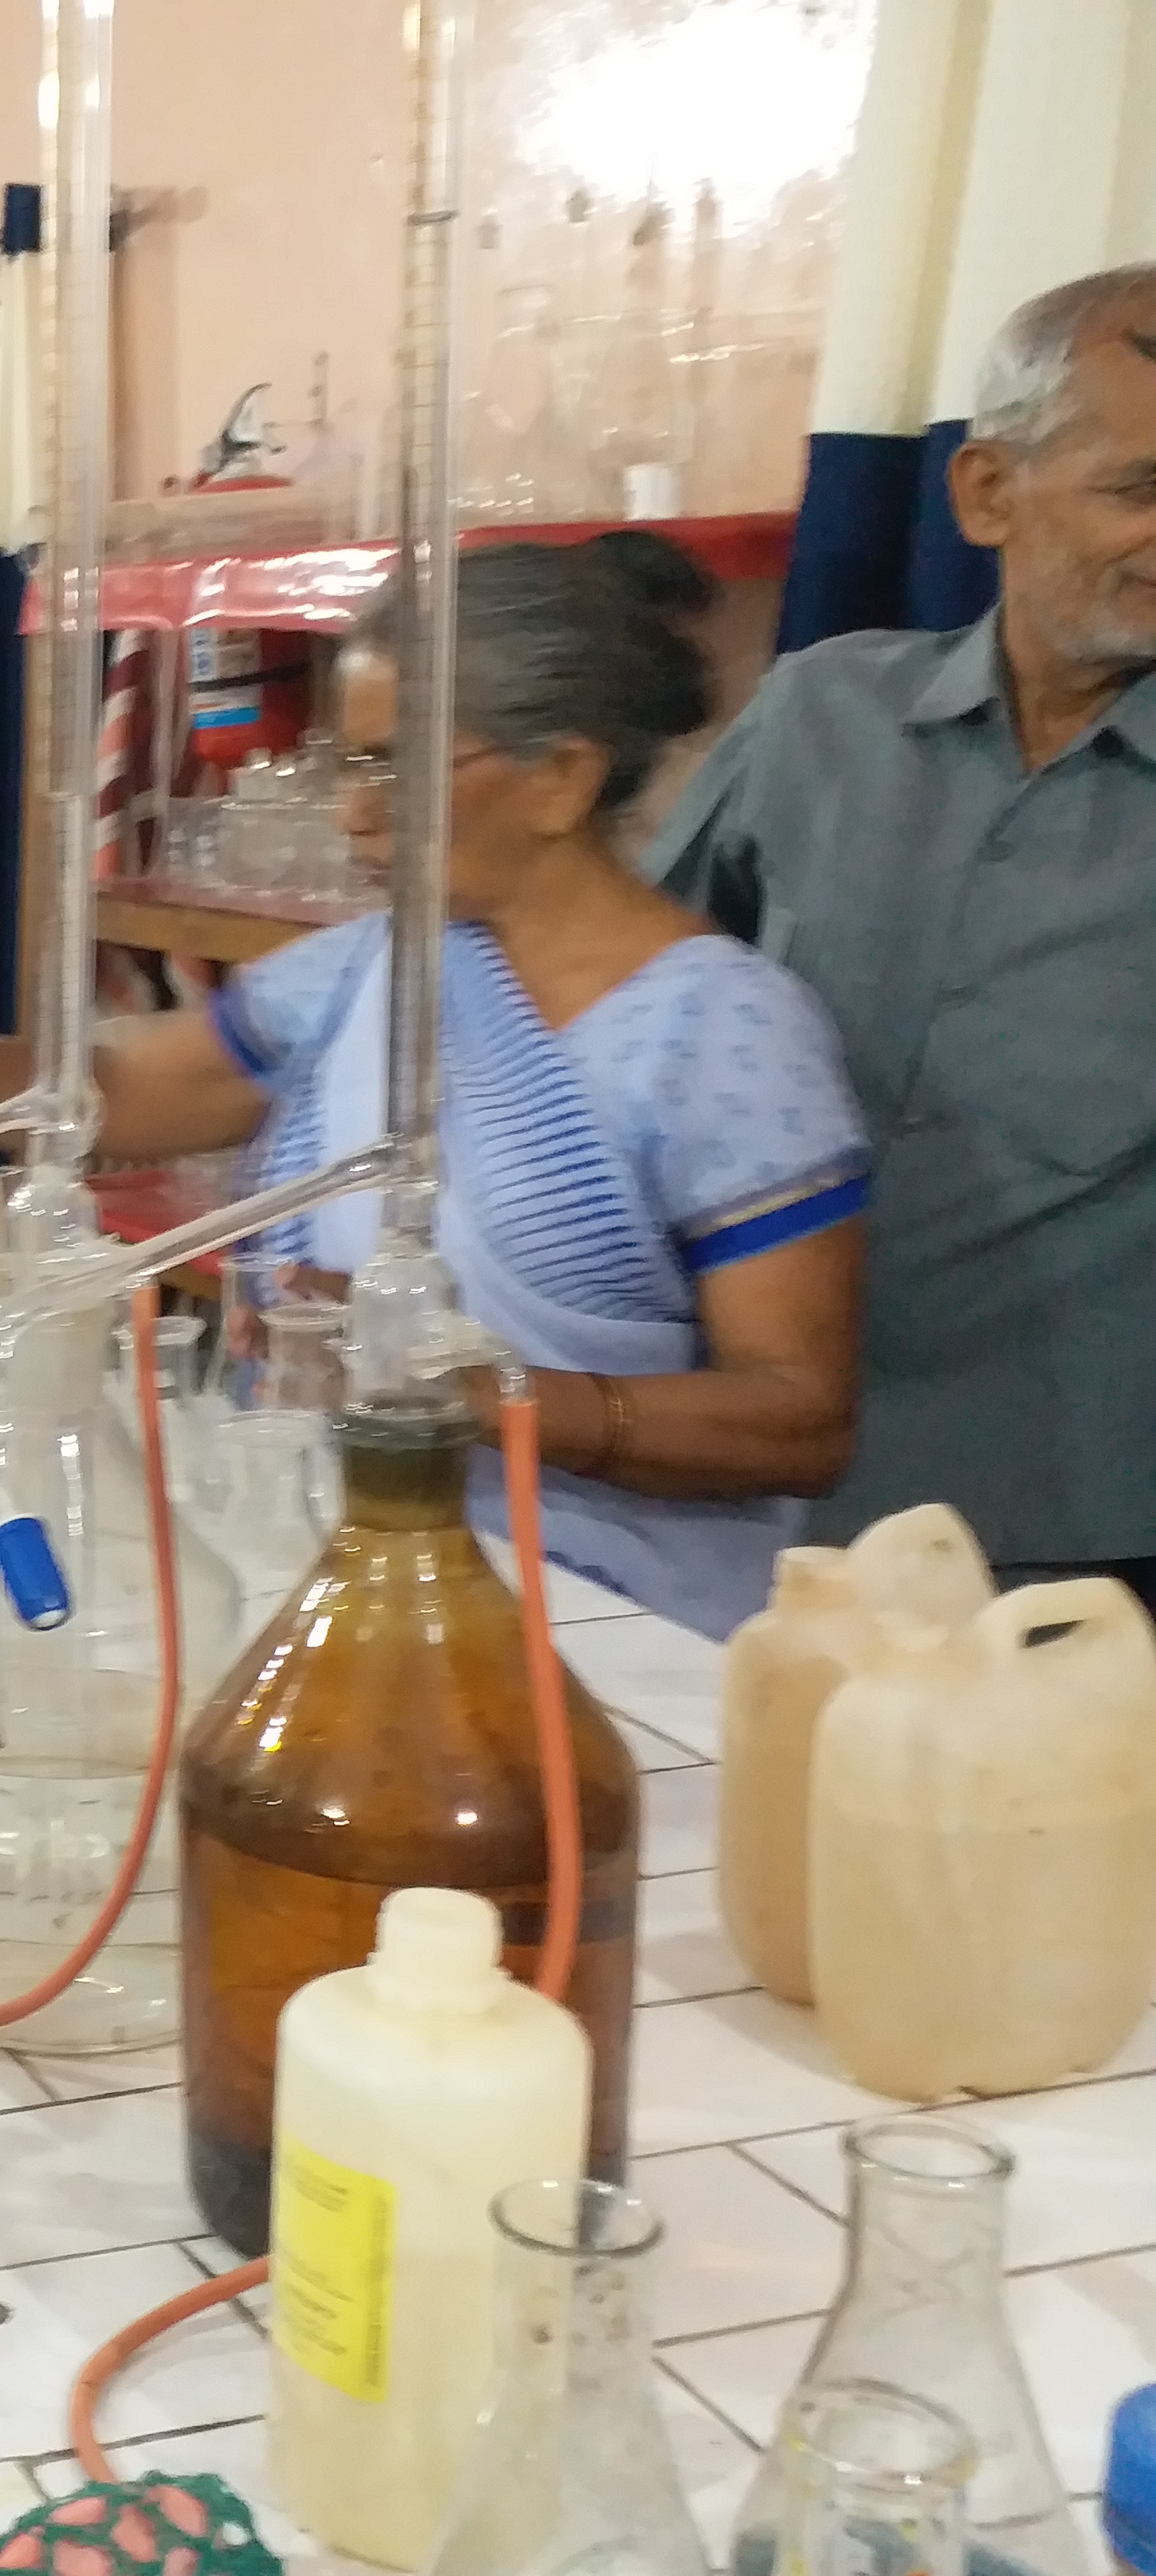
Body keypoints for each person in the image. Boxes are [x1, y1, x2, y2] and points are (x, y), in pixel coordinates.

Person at [0, 535, 870, 1639]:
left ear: (560, 778)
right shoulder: (375, 968)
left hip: (593, 1620)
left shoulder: (723, 1031)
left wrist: (484, 1397)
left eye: (396, 766)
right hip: (345, 1571)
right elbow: (120, 1091)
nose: (354, 810)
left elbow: (796, 1421)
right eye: (349, 764)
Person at [655, 264, 1156, 1612]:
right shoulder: (825, 716)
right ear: (988, 492)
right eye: (1141, 490)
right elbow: (633, 1000)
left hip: (1086, 1543)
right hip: (759, 1490)